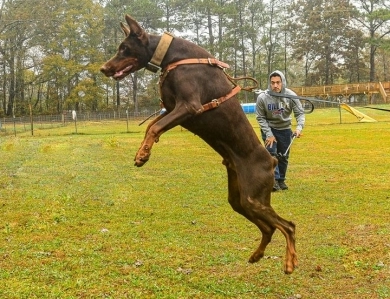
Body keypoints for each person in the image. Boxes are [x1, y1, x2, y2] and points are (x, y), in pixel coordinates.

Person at [256, 70, 305, 191]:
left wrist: (299, 128)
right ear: (270, 83)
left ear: (283, 82)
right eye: (272, 83)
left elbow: (300, 114)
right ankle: (274, 181)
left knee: (283, 156)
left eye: (278, 82)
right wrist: (269, 134)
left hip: (285, 129)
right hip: (270, 128)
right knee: (272, 154)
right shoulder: (263, 97)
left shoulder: (291, 96)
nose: (275, 85)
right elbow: (260, 117)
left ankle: (281, 180)